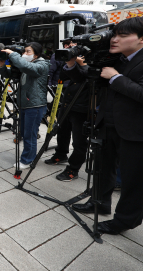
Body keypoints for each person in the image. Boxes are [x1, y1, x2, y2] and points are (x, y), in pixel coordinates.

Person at [72, 17, 143, 235]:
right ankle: (99, 202)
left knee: (133, 181)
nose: (115, 39)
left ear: (141, 39)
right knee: (103, 168)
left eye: (123, 35)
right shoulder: (118, 58)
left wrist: (116, 77)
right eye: (115, 34)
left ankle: (123, 221)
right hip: (108, 124)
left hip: (135, 132)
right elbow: (94, 78)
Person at [0, 42, 49, 169]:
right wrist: (2, 64)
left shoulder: (42, 64)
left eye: (28, 52)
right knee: (25, 133)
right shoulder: (28, 65)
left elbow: (23, 65)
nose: (25, 54)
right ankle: (28, 157)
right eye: (24, 51)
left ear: (36, 54)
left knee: (29, 134)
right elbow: (9, 74)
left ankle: (27, 160)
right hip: (25, 104)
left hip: (35, 105)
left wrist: (13, 53)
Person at [44, 56, 90, 182]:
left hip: (82, 108)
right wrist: (71, 64)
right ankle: (60, 154)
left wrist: (83, 64)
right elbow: (63, 77)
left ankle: (73, 168)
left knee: (79, 141)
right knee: (62, 131)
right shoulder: (74, 65)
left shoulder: (94, 63)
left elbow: (89, 77)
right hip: (67, 103)